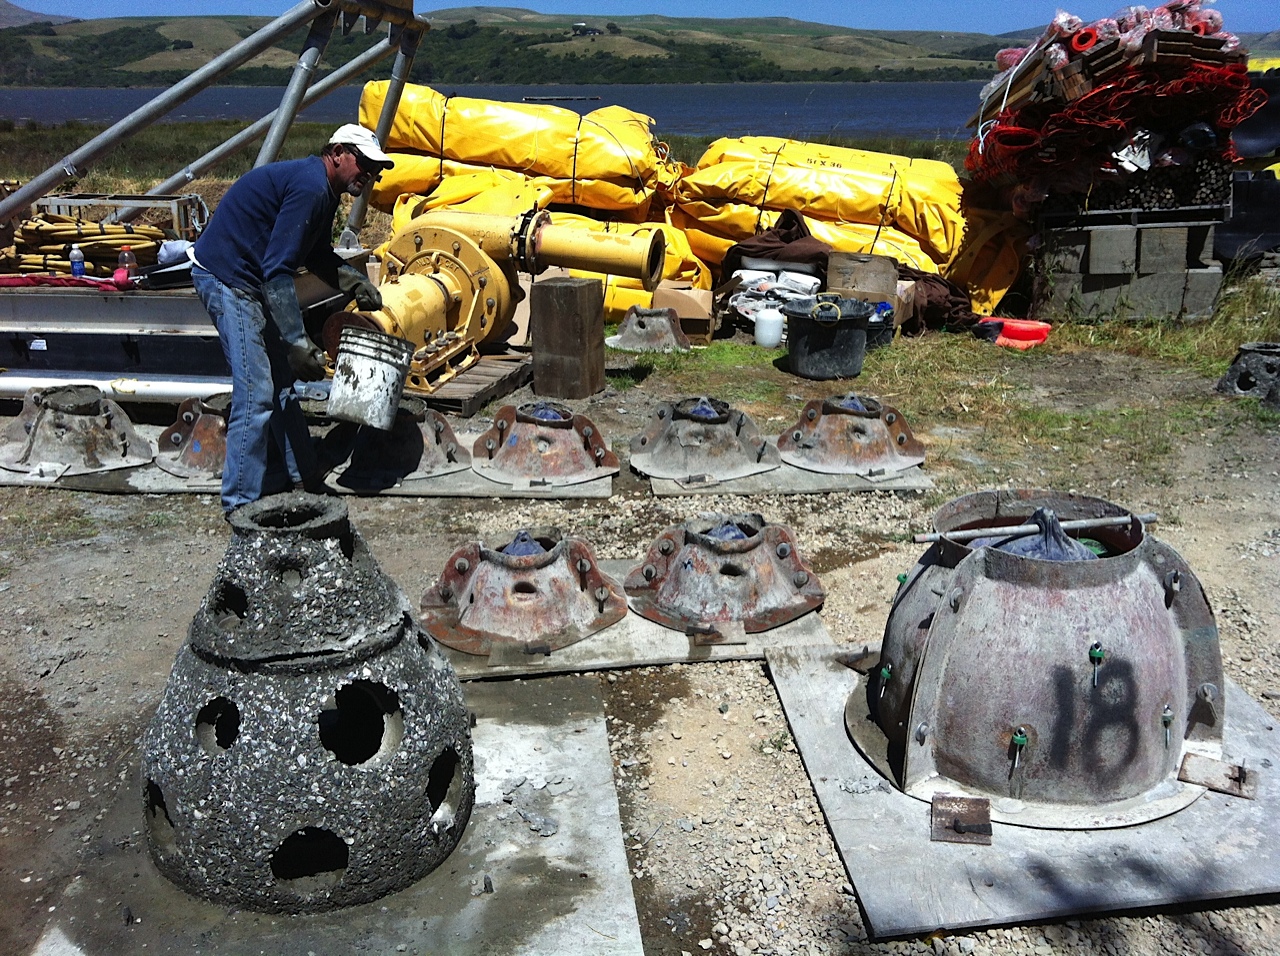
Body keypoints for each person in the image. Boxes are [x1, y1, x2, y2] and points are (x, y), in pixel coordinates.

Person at [190, 124, 393, 514]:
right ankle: (240, 505)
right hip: (228, 278)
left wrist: (351, 281)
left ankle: (303, 476)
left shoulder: (324, 189)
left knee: (281, 384)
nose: (369, 173)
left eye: (375, 168)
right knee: (257, 392)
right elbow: (278, 269)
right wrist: (297, 341)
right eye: (363, 162)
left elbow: (313, 253)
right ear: (337, 153)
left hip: (248, 278)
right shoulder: (311, 187)